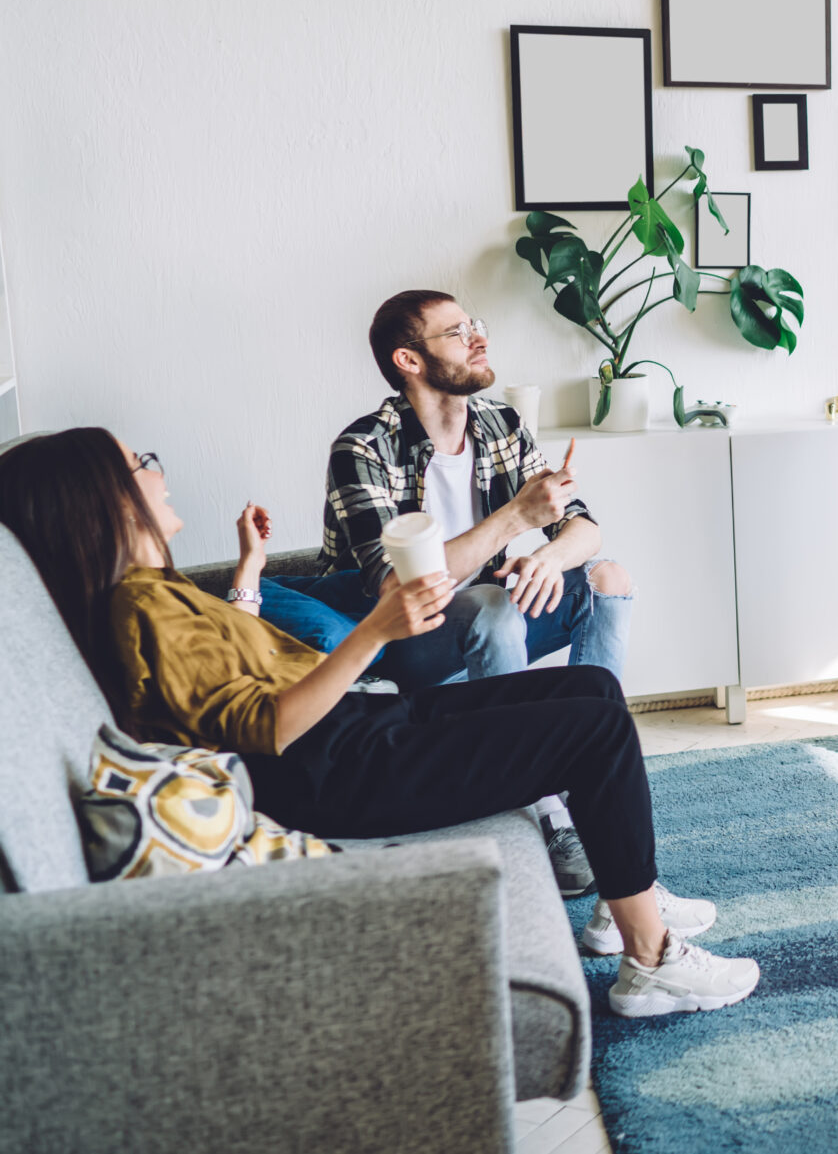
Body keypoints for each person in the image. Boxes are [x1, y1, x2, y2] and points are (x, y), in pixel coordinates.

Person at [0, 428, 757, 1019]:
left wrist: (249, 573)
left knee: (591, 689)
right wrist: (377, 630)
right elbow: (266, 726)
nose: (159, 472)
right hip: (338, 771)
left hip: (352, 736)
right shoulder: (139, 607)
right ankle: (651, 959)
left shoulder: (151, 594)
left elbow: (217, 678)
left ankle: (630, 901)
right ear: (103, 499)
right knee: (594, 733)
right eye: (142, 463)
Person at [261, 288, 632, 894]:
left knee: (607, 579)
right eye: (458, 332)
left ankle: (584, 777)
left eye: (475, 325)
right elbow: (399, 586)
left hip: (489, 620)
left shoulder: (500, 425)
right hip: (401, 636)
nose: (479, 339)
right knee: (491, 606)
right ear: (409, 360)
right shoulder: (363, 448)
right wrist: (514, 520)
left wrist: (545, 557)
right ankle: (541, 804)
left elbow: (584, 528)